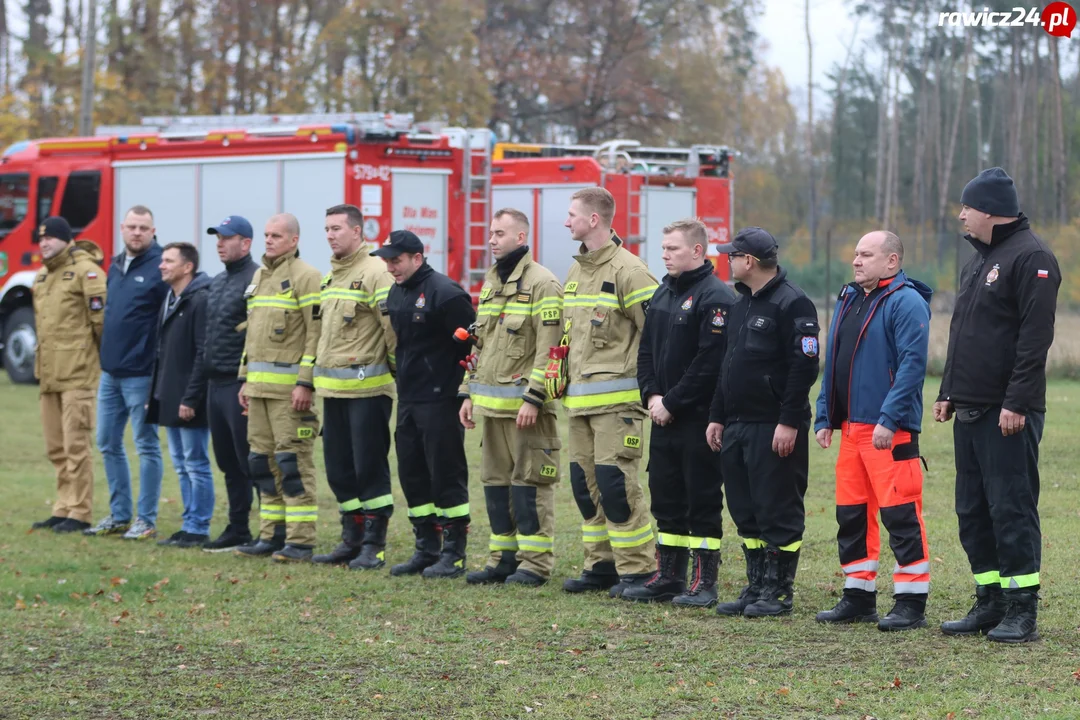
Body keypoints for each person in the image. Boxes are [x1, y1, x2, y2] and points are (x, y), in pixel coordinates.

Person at [935, 168, 1060, 643]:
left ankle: (1021, 609)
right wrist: (948, 390)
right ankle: (988, 602)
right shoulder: (978, 260)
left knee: (1011, 507)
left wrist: (1018, 402)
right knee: (972, 508)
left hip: (1008, 413)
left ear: (988, 209)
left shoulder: (1032, 257)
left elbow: (1034, 341)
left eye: (967, 206)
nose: (962, 214)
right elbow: (962, 334)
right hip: (969, 408)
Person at [813, 231, 933, 631]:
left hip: (889, 432)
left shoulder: (906, 301)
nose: (856, 260)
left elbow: (913, 366)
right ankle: (858, 595)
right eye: (855, 253)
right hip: (850, 431)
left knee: (900, 515)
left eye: (866, 254)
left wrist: (890, 418)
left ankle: (911, 602)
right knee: (852, 515)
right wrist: (825, 415)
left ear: (892, 261)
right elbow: (835, 362)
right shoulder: (850, 298)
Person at [706, 227, 819, 617]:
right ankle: (756, 585)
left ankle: (779, 591)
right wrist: (717, 417)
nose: (728, 261)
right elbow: (728, 367)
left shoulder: (793, 303)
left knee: (778, 508)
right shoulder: (741, 305)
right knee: (745, 508)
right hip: (737, 424)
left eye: (731, 256)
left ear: (749, 261)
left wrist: (788, 421)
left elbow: (803, 368)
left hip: (774, 425)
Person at [626, 218, 735, 606]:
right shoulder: (662, 293)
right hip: (662, 416)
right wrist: (652, 396)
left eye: (672, 248)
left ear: (696, 251)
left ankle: (704, 581)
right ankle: (668, 575)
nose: (664, 254)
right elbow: (646, 352)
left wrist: (672, 402)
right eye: (664, 247)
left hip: (698, 419)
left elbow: (710, 362)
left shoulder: (716, 297)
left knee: (700, 497)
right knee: (666, 496)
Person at [559, 187, 659, 598]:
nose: (566, 222)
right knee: (585, 487)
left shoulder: (630, 271)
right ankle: (600, 565)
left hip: (617, 405)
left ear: (594, 219)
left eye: (571, 215)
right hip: (579, 404)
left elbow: (656, 336)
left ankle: (638, 569)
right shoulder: (576, 271)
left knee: (616, 485)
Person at [459, 208, 564, 587]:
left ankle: (534, 564)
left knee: (530, 484)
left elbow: (550, 349)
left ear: (521, 238)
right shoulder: (491, 284)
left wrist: (534, 398)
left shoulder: (543, 283)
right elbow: (480, 345)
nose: (491, 239)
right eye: (490, 232)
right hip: (492, 409)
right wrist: (467, 392)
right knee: (495, 483)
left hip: (526, 411)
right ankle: (502, 558)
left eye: (499, 233)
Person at [374, 230, 476, 579]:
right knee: (413, 474)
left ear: (417, 257)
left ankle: (454, 553)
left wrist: (464, 392)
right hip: (409, 398)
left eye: (396, 260)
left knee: (446, 473)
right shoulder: (396, 292)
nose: (391, 267)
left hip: (441, 400)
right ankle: (426, 548)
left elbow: (471, 349)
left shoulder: (446, 294)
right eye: (387, 261)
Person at [311, 205, 397, 570]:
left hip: (368, 392)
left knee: (369, 469)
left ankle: (373, 546)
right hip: (333, 394)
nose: (330, 235)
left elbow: (392, 331)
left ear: (358, 232)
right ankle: (351, 539)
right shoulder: (331, 277)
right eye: (327, 229)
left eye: (337, 229)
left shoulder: (376, 272)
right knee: (339, 470)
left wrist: (399, 375)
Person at [237, 213, 323, 563]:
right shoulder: (260, 276)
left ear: (293, 240)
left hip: (290, 395)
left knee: (292, 464)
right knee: (261, 464)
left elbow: (315, 336)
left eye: (276, 235)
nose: (268, 240)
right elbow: (252, 333)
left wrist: (305, 383)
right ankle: (272, 536)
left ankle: (301, 541)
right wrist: (244, 378)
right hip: (258, 392)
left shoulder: (307, 277)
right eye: (266, 235)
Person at [85, 205, 168, 540]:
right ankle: (119, 514)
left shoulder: (161, 266)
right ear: (122, 227)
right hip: (110, 373)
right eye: (131, 226)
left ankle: (145, 519)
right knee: (106, 441)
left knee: (146, 445)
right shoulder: (116, 265)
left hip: (141, 373)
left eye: (143, 228)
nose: (137, 232)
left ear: (153, 230)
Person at [30, 217, 107, 534]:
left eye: (50, 238)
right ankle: (63, 507)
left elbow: (100, 322)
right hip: (49, 374)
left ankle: (80, 511)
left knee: (77, 447)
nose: (44, 243)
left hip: (77, 373)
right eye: (41, 239)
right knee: (56, 447)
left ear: (66, 239)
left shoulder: (86, 271)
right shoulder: (44, 275)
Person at [146, 242, 213, 548]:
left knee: (196, 463)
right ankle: (188, 524)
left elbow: (203, 353)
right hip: (169, 395)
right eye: (162, 260)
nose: (162, 265)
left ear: (187, 267)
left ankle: (198, 527)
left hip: (189, 399)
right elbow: (162, 353)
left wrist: (191, 398)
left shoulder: (200, 300)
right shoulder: (171, 299)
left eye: (169, 261)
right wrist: (155, 394)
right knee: (181, 463)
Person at [200, 216, 259, 552]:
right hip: (215, 384)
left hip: (240, 385)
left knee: (248, 459)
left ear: (246, 243)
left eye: (227, 238)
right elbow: (207, 338)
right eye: (217, 238)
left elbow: (256, 337)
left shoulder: (254, 279)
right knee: (226, 460)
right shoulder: (219, 282)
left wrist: (247, 380)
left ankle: (269, 528)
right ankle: (238, 527)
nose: (220, 243)